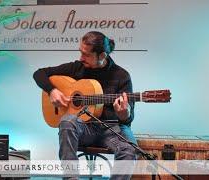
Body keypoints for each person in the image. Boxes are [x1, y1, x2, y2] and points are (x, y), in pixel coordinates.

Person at [33, 31, 137, 180]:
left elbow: (128, 119)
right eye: (80, 52)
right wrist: (52, 91)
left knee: (129, 150)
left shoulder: (121, 76)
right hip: (85, 129)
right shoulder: (77, 68)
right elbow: (39, 74)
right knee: (67, 121)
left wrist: (124, 113)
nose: (81, 58)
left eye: (86, 55)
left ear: (102, 56)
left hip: (111, 128)